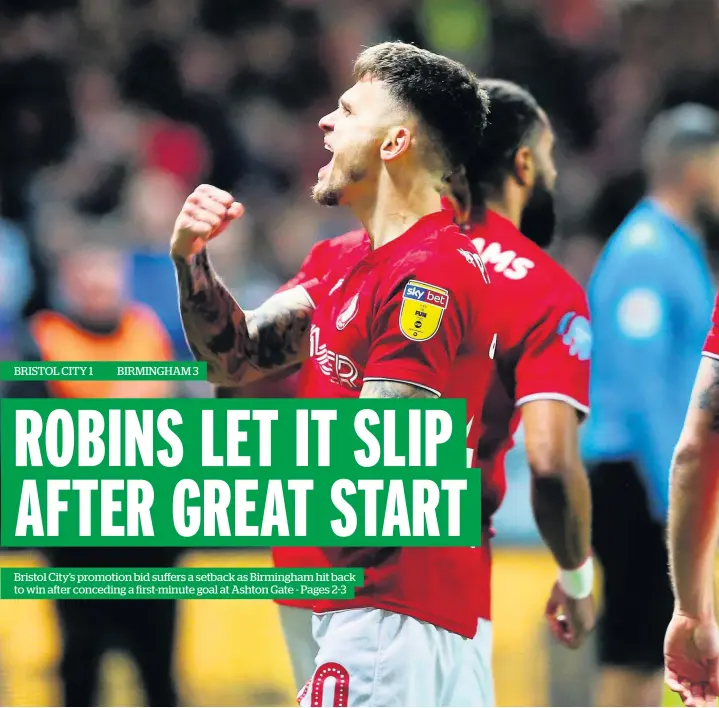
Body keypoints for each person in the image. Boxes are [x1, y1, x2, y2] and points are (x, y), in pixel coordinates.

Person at [218, 79, 597, 706]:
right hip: (423, 582)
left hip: (309, 564)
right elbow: (551, 462)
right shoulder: (541, 288)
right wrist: (576, 580)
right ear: (524, 165)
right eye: (549, 157)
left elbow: (239, 385)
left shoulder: (345, 256)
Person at [172, 41, 495, 707]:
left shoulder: (427, 274)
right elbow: (235, 356)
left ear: (395, 141)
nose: (324, 123)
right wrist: (191, 261)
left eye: (347, 110)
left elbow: (376, 472)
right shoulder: (345, 260)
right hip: (364, 604)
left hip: (391, 609)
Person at [582, 103, 719, 707]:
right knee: (632, 649)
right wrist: (674, 500)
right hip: (636, 474)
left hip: (648, 474)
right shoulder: (646, 250)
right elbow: (642, 384)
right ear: (693, 167)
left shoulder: (675, 245)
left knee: (647, 654)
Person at [5, 245, 180, 707]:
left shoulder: (149, 335)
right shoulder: (40, 342)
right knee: (80, 662)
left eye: (107, 270)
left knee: (159, 667)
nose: (99, 283)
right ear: (69, 278)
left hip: (150, 537)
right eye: (88, 271)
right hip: (77, 535)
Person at [664, 294, 719, 707]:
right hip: (447, 587)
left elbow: (695, 452)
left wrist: (691, 609)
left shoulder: (434, 266)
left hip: (443, 580)